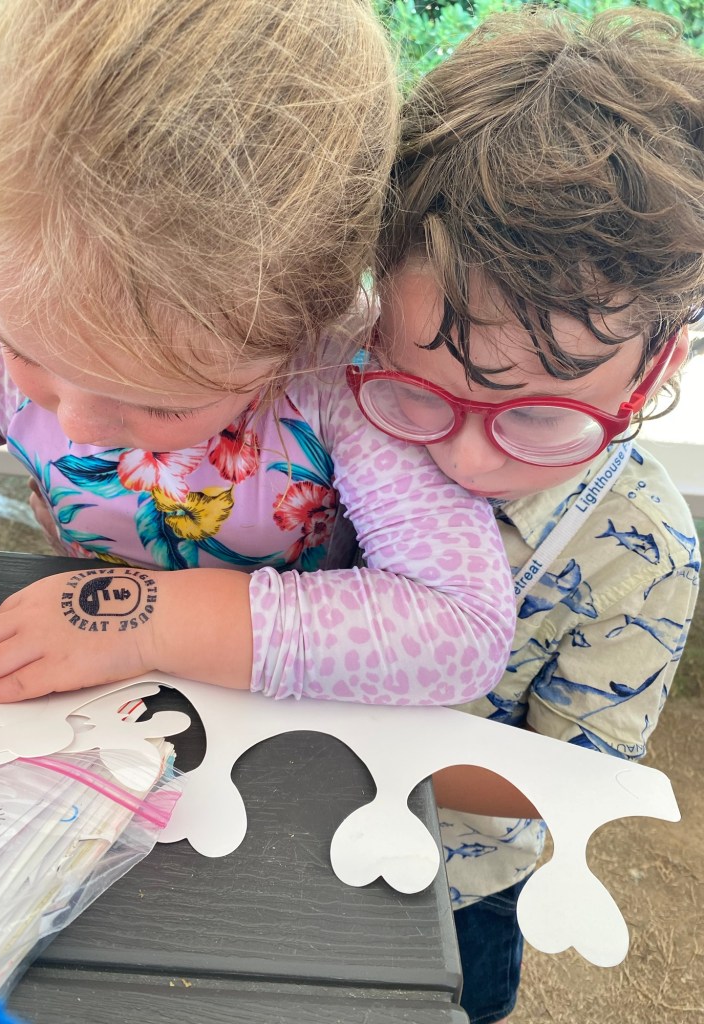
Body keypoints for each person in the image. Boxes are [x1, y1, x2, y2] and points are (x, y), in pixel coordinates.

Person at [0, 0, 515, 706]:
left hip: (277, 722)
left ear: (302, 328)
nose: (78, 425)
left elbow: (463, 631)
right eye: (20, 349)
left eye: (161, 403)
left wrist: (141, 625)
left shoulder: (346, 380)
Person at [349, 9, 702, 1023]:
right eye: (416, 391)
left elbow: (570, 776)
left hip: (458, 888)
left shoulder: (645, 550)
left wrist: (340, 726)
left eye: (540, 418)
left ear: (655, 370)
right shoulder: (336, 401)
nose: (464, 458)